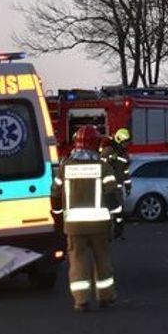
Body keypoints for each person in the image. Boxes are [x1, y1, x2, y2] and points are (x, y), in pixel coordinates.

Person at [51, 125, 120, 312]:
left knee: (78, 262)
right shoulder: (103, 167)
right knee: (102, 260)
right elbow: (113, 195)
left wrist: (58, 219)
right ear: (95, 144)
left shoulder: (65, 167)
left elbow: (55, 194)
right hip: (99, 225)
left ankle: (81, 301)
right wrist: (117, 217)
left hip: (74, 226)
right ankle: (106, 297)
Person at [99, 127, 132, 239]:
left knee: (119, 212)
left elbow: (126, 171)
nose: (126, 145)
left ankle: (118, 233)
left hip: (118, 188)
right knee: (107, 211)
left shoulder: (124, 154)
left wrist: (128, 186)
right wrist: (109, 160)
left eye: (127, 143)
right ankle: (106, 234)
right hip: (107, 187)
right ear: (119, 140)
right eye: (125, 142)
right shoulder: (108, 151)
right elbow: (100, 166)